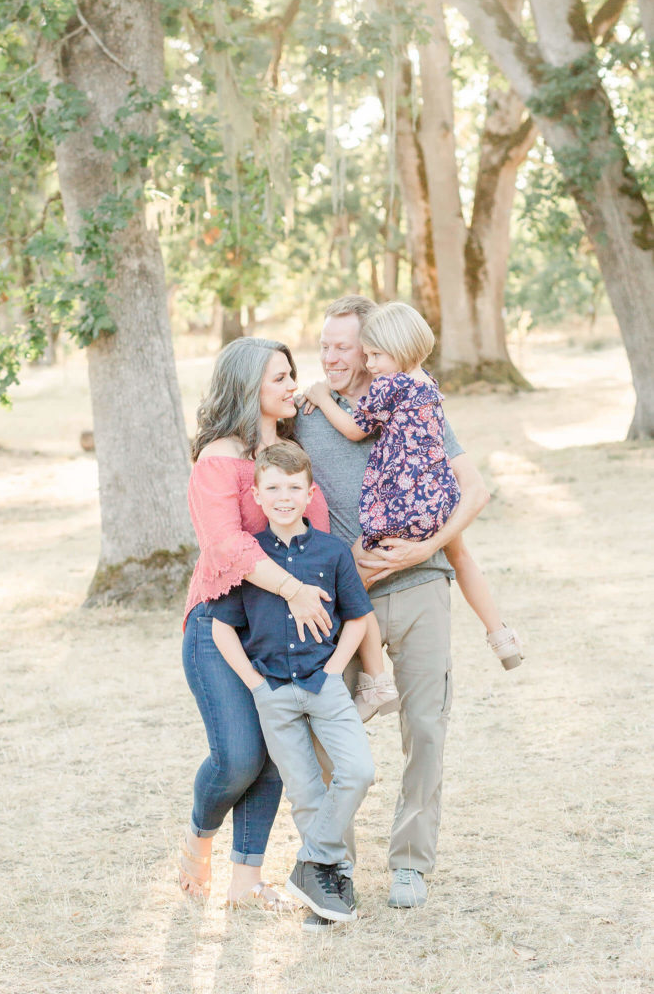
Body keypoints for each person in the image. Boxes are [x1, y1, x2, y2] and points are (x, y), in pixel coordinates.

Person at [294, 294, 491, 913]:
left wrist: (422, 548)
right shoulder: (302, 419)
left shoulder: (412, 399)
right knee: (327, 734)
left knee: (426, 727)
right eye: (324, 344)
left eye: (343, 346)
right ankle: (334, 861)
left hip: (420, 584)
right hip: (341, 602)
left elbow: (474, 488)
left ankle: (410, 862)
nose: (330, 356)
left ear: (375, 348)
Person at [180, 337, 333, 910]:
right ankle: (199, 837)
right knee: (239, 756)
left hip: (279, 633)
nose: (293, 385)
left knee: (274, 755)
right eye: (279, 378)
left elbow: (318, 536)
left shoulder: (295, 454)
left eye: (293, 374)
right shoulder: (219, 456)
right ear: (249, 388)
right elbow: (225, 545)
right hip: (218, 621)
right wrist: (293, 588)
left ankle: (247, 881)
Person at [303, 300, 523, 679]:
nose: (331, 358)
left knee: (355, 569)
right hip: (434, 494)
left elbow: (357, 428)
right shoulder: (427, 385)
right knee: (461, 554)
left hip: (401, 498)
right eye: (325, 346)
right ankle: (499, 634)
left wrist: (322, 397)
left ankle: (371, 676)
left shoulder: (387, 387)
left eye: (356, 350)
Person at [207, 442, 376, 923]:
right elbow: (222, 628)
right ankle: (329, 888)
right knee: (305, 794)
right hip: (274, 693)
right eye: (274, 488)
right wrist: (257, 686)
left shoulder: (332, 550)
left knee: (358, 771)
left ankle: (308, 864)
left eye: (294, 488)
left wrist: (331, 670)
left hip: (325, 686)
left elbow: (359, 619)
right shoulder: (249, 557)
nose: (284, 497)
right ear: (257, 495)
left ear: (310, 494)